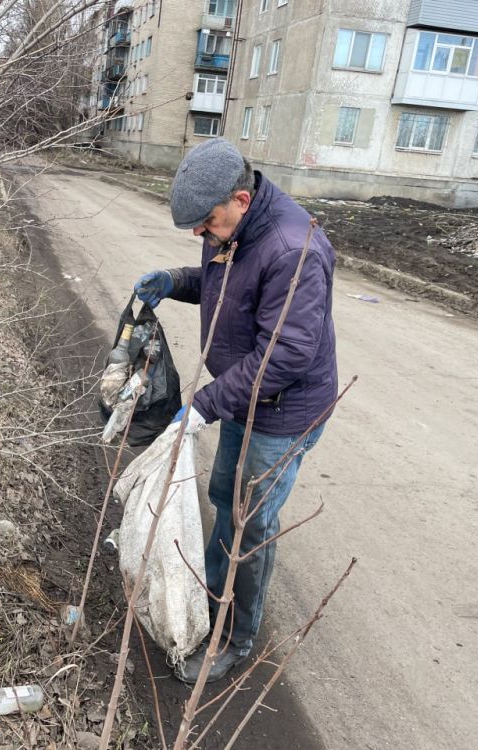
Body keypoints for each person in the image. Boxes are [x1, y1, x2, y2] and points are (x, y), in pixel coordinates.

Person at [134, 138, 338, 684]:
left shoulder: (293, 250)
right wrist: (176, 281)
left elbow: (286, 354)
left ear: (242, 199)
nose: (202, 234)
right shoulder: (233, 228)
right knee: (225, 498)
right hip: (244, 399)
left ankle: (236, 635)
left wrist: (202, 405)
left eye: (207, 223)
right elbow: (228, 288)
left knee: (250, 522)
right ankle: (211, 593)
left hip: (283, 411)